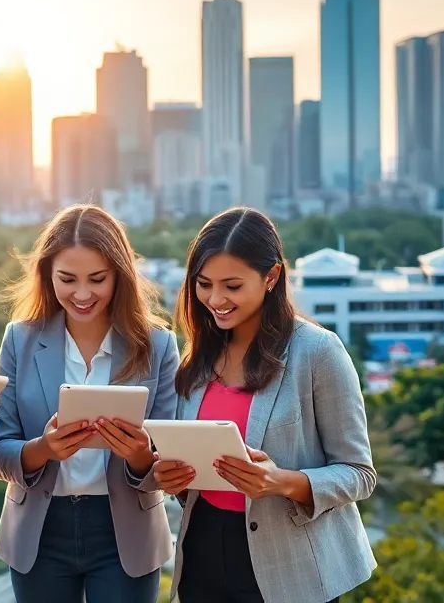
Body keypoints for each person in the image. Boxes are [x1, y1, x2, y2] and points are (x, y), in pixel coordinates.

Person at [149, 207, 376, 603]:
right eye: (203, 284)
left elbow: (359, 473)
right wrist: (172, 480)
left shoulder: (318, 352)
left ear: (271, 276)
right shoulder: (197, 357)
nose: (215, 299)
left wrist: (282, 482)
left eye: (232, 286)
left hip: (291, 563)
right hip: (202, 551)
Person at [0, 205, 177, 603]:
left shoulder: (157, 346)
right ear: (47, 275)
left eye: (98, 279)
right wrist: (43, 449)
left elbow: (171, 461)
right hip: (39, 533)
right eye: (67, 279)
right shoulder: (20, 340)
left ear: (119, 277)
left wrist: (141, 455)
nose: (83, 294)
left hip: (125, 534)